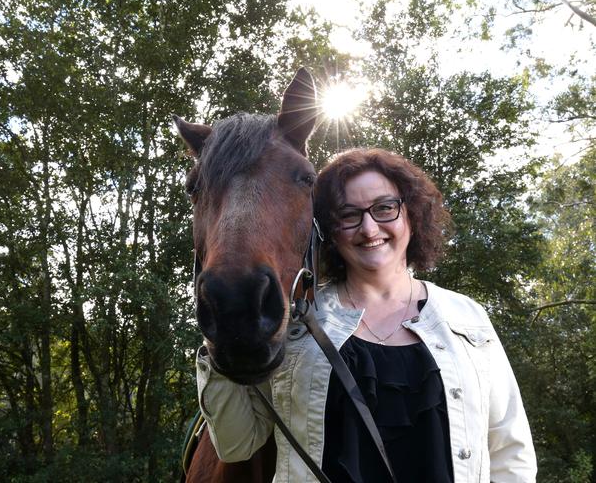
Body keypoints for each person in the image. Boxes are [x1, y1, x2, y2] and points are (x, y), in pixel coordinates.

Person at [196, 148, 537, 482]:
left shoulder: (467, 318)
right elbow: (236, 446)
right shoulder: (295, 328)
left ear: (411, 214)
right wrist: (224, 321)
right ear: (329, 229)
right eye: (348, 214)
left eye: (384, 208)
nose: (369, 229)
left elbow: (510, 452)